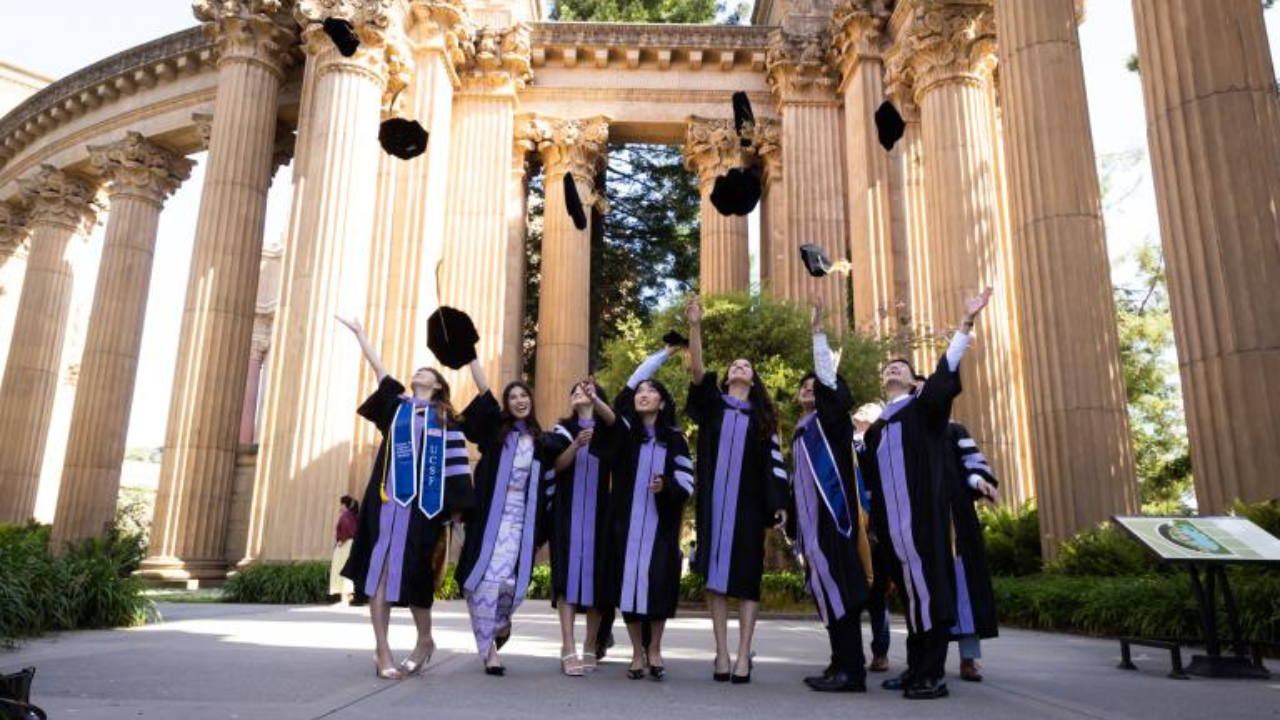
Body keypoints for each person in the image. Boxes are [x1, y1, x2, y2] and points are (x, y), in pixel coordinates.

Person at [858, 288, 992, 700]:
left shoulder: (925, 413)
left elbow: (944, 373)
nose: (894, 369)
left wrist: (965, 324)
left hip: (925, 523)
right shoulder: (877, 430)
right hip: (892, 529)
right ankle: (916, 666)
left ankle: (932, 673)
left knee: (930, 595)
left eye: (902, 367)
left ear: (914, 383)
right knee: (912, 600)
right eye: (890, 367)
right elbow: (868, 482)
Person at [336, 316, 474, 680]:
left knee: (415, 578)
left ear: (439, 384)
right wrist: (361, 334)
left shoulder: (448, 422)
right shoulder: (396, 406)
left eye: (427, 372)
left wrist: (457, 515)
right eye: (418, 371)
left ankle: (424, 639)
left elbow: (457, 470)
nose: (419, 372)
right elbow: (378, 367)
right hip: (385, 504)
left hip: (422, 510)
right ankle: (383, 653)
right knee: (379, 578)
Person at [683, 295, 788, 684]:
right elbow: (697, 372)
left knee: (746, 578)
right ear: (728, 378)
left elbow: (774, 466)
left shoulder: (762, 421)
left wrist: (779, 504)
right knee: (714, 577)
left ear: (753, 378)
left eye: (747, 366)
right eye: (735, 366)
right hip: (713, 507)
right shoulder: (713, 406)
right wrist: (695, 326)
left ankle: (744, 653)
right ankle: (722, 653)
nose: (740, 367)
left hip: (746, 509)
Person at [592, 344, 693, 681]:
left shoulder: (675, 439)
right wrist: (663, 354)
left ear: (662, 403)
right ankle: (637, 651)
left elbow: (686, 481)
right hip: (625, 525)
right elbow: (630, 384)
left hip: (660, 526)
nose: (644, 394)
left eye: (652, 392)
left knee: (658, 585)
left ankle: (655, 649)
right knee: (628, 587)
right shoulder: (626, 434)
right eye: (642, 392)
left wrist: (666, 487)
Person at [789, 303, 873, 693]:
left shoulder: (830, 425)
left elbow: (829, 385)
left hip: (834, 521)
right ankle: (839, 663)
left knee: (843, 592)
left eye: (814, 387)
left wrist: (818, 336)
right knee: (827, 593)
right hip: (812, 529)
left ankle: (852, 670)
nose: (809, 388)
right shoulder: (801, 431)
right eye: (803, 386)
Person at [454, 372, 558, 676]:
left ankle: (501, 622)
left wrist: (577, 444)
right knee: (485, 582)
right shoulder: (495, 433)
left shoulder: (541, 441)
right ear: (507, 405)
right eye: (512, 397)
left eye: (523, 395)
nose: (519, 400)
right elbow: (484, 394)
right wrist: (473, 357)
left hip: (521, 523)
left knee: (512, 584)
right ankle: (489, 653)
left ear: (531, 401)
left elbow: (558, 470)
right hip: (491, 520)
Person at [546, 380, 617, 676]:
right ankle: (568, 645)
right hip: (567, 513)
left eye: (585, 390)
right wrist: (576, 445)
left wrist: (595, 404)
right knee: (565, 576)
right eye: (573, 390)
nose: (577, 392)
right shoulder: (561, 430)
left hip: (601, 514)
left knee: (597, 578)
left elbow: (615, 422)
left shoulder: (609, 431)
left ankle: (590, 643)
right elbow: (556, 467)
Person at [944, 421, 999, 682]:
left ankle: (968, 658)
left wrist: (979, 482)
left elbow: (972, 467)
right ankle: (924, 661)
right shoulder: (906, 431)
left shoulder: (954, 431)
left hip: (955, 519)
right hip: (919, 523)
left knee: (963, 587)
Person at [852, 403, 893, 673]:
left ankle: (880, 653)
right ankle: (851, 652)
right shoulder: (847, 443)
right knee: (851, 594)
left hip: (877, 524)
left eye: (872, 409)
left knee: (878, 595)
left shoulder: (884, 443)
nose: (865, 410)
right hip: (852, 523)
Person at [330, 495, 359, 605]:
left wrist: (341, 540)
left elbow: (347, 529)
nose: (340, 507)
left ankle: (344, 599)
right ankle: (347, 597)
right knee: (346, 570)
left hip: (345, 545)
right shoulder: (353, 515)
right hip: (350, 545)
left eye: (341, 504)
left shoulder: (346, 516)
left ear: (344, 505)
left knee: (342, 570)